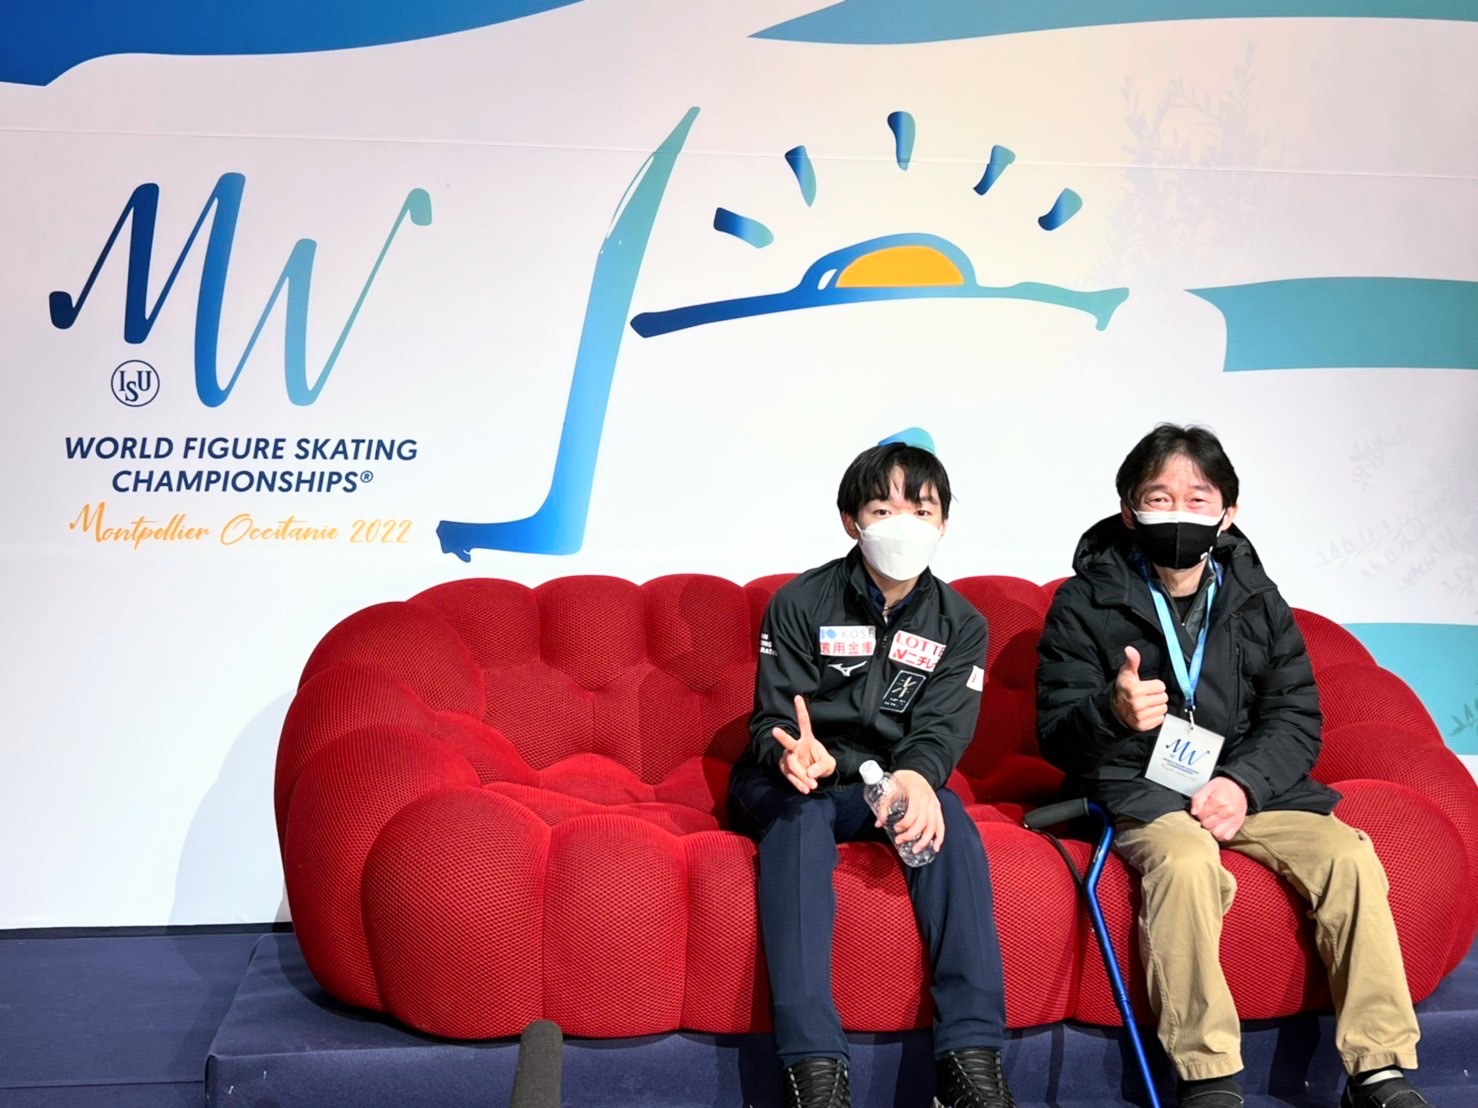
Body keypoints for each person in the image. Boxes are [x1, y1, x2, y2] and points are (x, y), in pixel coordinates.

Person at [1035, 424, 1428, 1108]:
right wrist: (1112, 712)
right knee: (1187, 863)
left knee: (1347, 856)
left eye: (1198, 498)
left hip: (1243, 785)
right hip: (1140, 786)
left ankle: (1379, 1069)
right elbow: (1056, 734)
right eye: (1159, 498)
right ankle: (1208, 1074)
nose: (1178, 513)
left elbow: (1295, 716)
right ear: (1129, 511)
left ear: (1227, 512)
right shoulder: (1083, 602)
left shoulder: (1256, 598)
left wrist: (1242, 784)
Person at [728, 442, 1016, 1108]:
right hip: (795, 781)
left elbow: (941, 729)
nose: (903, 524)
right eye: (884, 509)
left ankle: (971, 1062)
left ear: (944, 524)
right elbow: (772, 719)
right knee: (800, 821)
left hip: (885, 781)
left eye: (922, 510)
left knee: (949, 821)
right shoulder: (800, 601)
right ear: (850, 520)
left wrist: (917, 779)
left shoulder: (961, 624)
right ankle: (815, 1072)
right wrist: (793, 753)